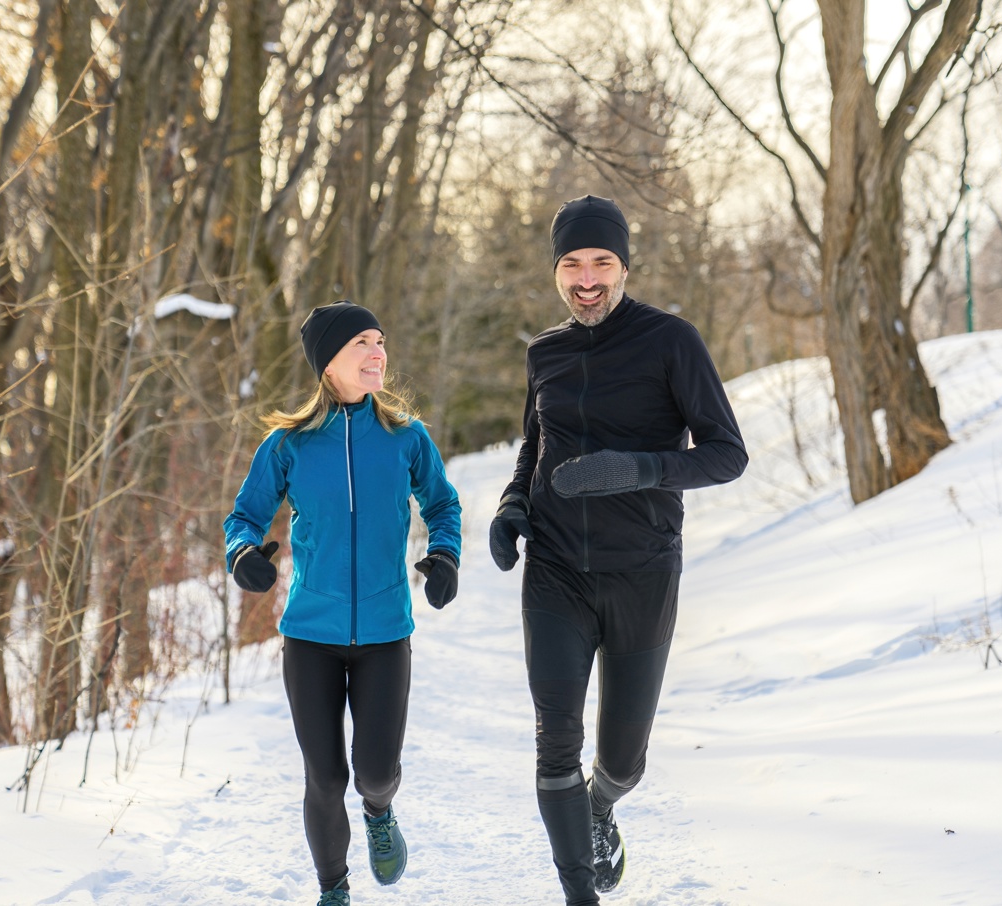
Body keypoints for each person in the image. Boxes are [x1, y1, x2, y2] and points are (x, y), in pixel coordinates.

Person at [489, 195, 748, 905]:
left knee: (623, 761)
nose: (586, 278)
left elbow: (728, 455)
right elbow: (533, 444)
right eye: (571, 264)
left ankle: (601, 805)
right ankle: (581, 894)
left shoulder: (672, 342)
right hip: (555, 574)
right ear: (556, 272)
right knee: (554, 746)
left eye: (601, 261)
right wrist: (514, 506)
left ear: (625, 266)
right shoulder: (545, 352)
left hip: (643, 573)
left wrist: (637, 469)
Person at [224, 300, 462, 906]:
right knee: (325, 779)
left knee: (374, 774)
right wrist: (242, 555)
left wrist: (446, 556)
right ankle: (334, 889)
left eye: (380, 340)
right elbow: (244, 517)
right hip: (310, 635)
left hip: (385, 632)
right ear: (328, 362)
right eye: (362, 342)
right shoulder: (289, 444)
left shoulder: (406, 438)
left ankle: (380, 812)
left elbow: (442, 506)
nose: (378, 352)